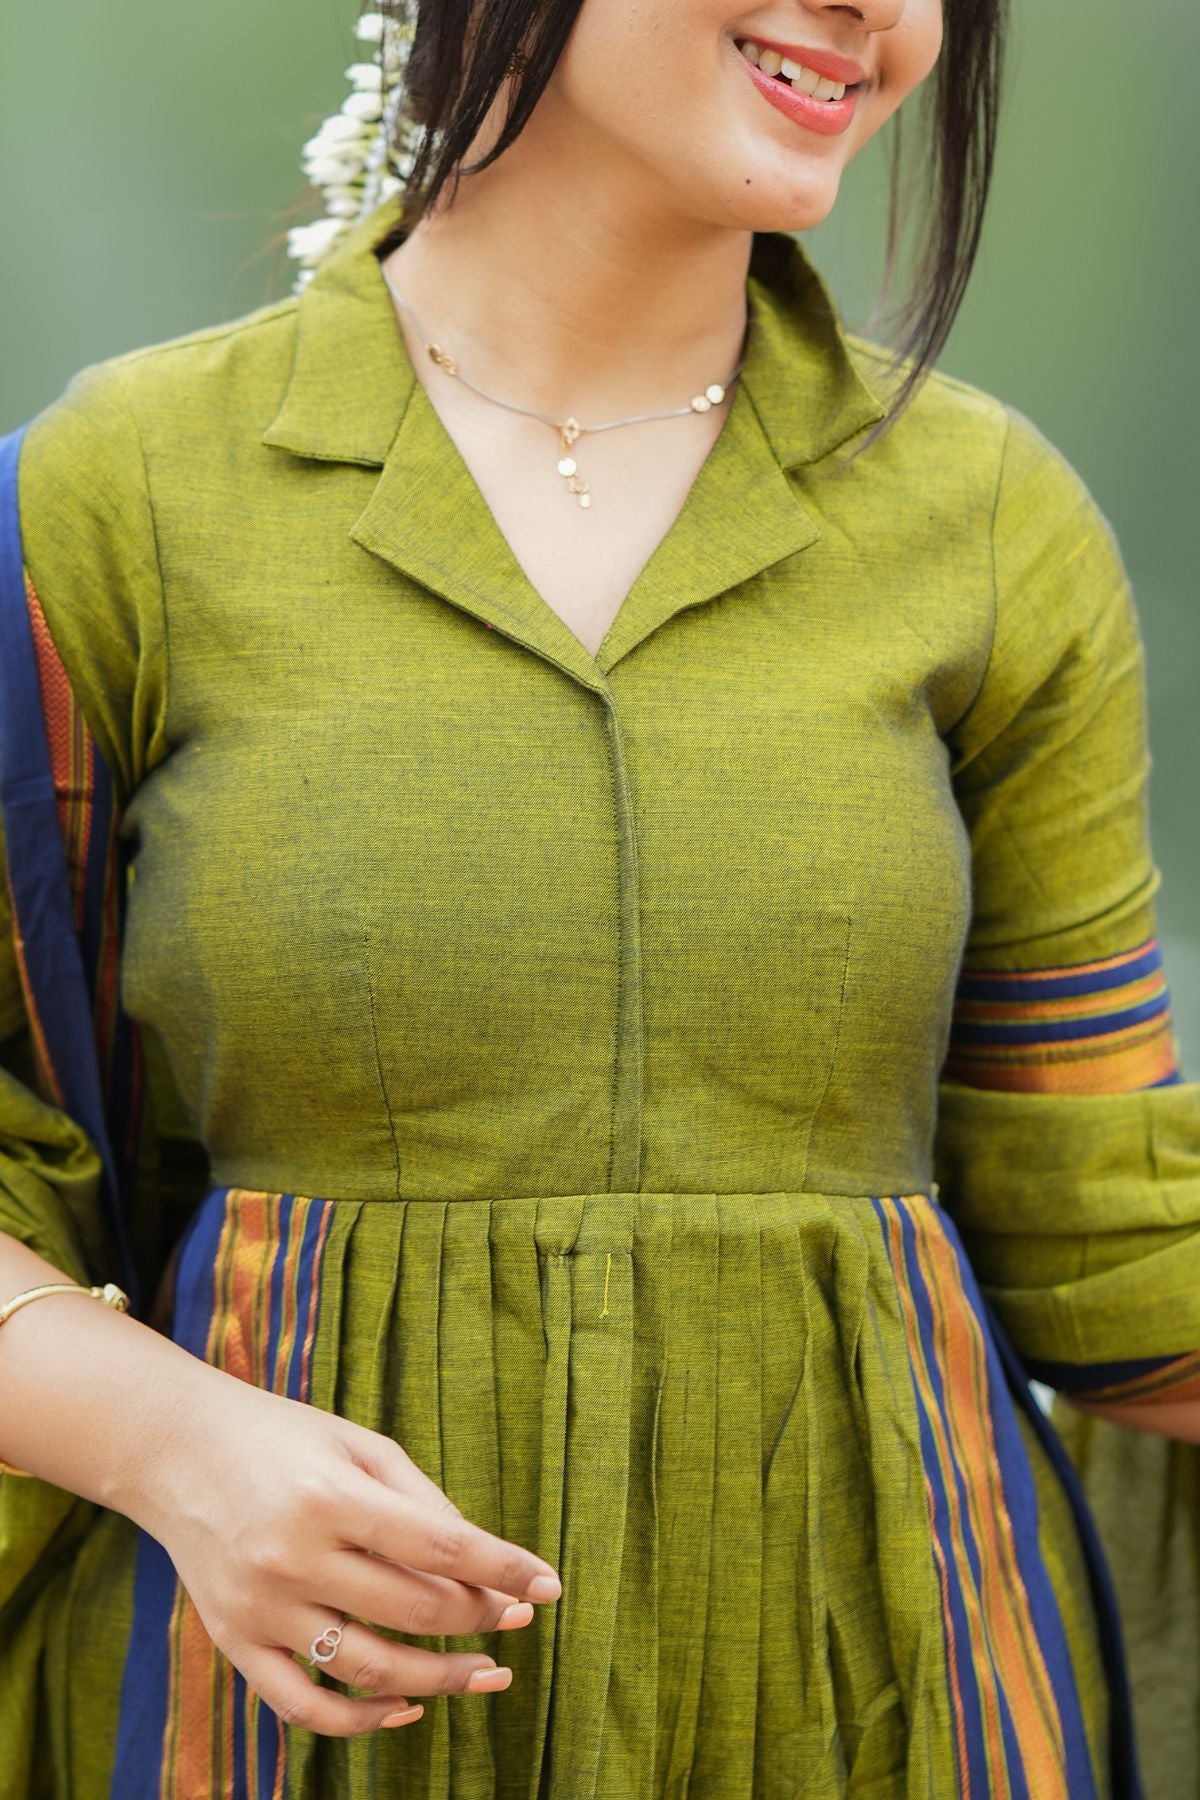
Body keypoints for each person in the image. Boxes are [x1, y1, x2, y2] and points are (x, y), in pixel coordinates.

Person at [0, 0, 1197, 1794]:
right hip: (272, 1727)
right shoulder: (120, 498)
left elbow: (1107, 1241)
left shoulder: (993, 520)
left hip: (892, 1703)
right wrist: (177, 1448)